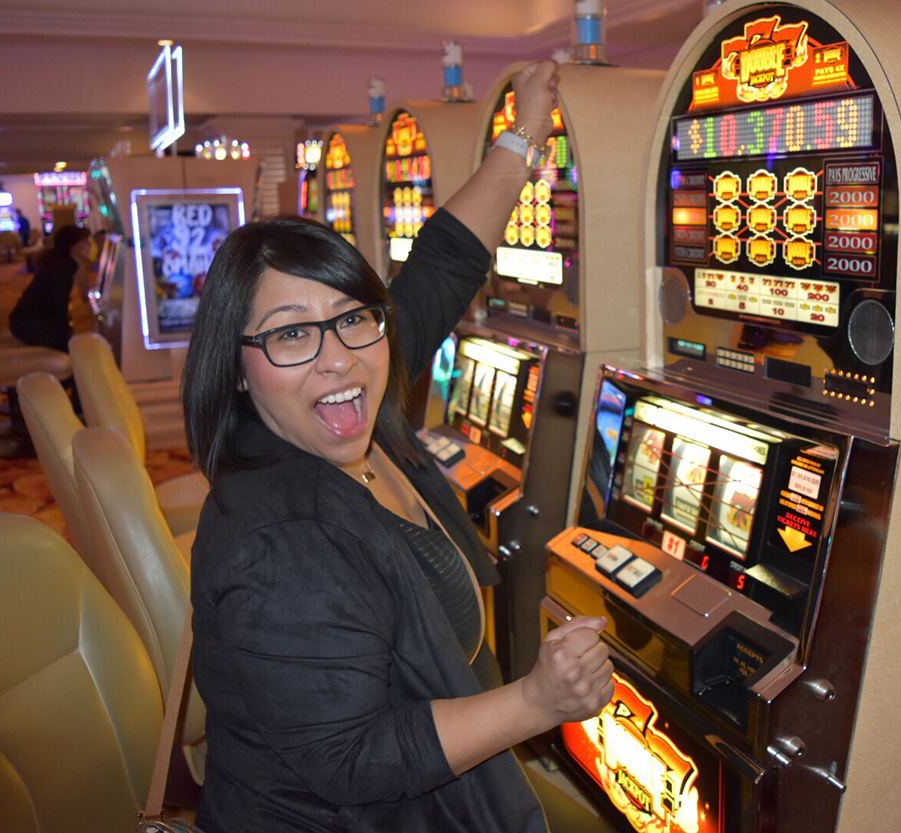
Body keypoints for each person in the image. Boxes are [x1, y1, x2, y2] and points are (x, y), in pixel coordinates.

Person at [182, 61, 612, 832]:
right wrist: (536, 701)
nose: (335, 356)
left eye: (353, 316)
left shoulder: (357, 405)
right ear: (237, 367)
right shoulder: (283, 539)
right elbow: (352, 759)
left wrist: (524, 134)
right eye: (289, 334)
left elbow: (440, 267)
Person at [8, 223, 89, 352]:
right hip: (27, 325)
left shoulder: (63, 265)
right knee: (74, 345)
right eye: (85, 241)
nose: (90, 245)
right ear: (73, 246)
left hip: (29, 321)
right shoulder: (61, 271)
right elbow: (60, 312)